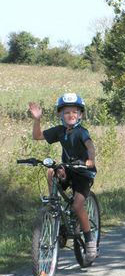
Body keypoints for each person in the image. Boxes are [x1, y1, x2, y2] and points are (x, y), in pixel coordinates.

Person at [29, 93, 98, 263]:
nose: (71, 115)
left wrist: (91, 160)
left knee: (77, 205)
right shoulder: (59, 131)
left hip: (83, 172)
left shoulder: (82, 131)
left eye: (75, 112)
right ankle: (54, 204)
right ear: (60, 115)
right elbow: (37, 136)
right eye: (67, 112)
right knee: (51, 170)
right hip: (68, 169)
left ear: (80, 114)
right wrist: (37, 119)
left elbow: (90, 146)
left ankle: (89, 240)